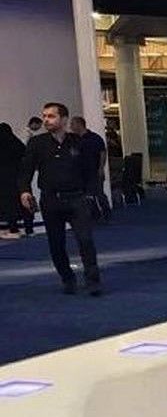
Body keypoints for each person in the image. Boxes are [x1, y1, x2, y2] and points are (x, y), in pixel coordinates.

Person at [18, 102, 103, 295]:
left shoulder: (78, 142)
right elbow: (26, 170)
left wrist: (91, 194)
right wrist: (25, 191)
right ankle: (67, 278)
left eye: (51, 116)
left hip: (77, 198)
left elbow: (90, 170)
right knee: (56, 244)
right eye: (44, 116)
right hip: (51, 200)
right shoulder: (37, 143)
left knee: (85, 240)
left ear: (63, 119)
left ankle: (93, 280)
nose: (46, 120)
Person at [69, 115, 111, 222]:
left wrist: (101, 168)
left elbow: (102, 153)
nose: (71, 127)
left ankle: (107, 213)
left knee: (98, 194)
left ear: (79, 124)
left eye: (73, 124)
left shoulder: (94, 138)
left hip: (94, 170)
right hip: (81, 173)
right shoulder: (74, 139)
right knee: (86, 196)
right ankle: (94, 215)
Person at [0, 123, 29, 238]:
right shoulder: (16, 144)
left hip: (3, 181)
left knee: (8, 205)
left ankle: (13, 229)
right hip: (18, 179)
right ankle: (27, 228)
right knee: (20, 203)